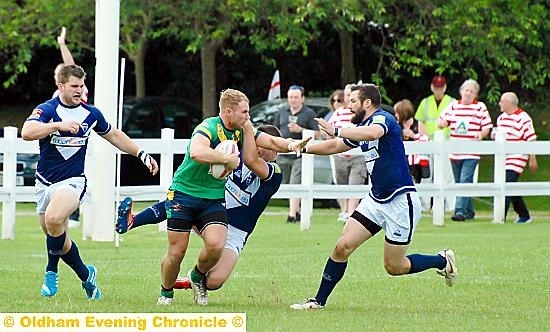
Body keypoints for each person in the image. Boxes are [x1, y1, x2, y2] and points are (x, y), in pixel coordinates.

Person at [290, 84, 457, 310]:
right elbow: (335, 145)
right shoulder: (361, 126)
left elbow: (373, 133)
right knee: (342, 247)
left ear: (367, 103)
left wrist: (337, 129)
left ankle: (442, 260)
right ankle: (318, 301)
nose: (349, 105)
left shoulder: (383, 119)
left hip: (400, 201)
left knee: (394, 266)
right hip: (376, 200)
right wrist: (304, 148)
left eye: (353, 101)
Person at [155, 89, 308, 306]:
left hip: (214, 200)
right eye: (245, 112)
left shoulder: (246, 135)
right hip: (185, 193)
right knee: (176, 252)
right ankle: (166, 293)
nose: (248, 117)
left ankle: (196, 277)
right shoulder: (208, 127)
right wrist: (227, 159)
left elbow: (272, 143)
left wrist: (291, 145)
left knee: (215, 258)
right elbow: (197, 152)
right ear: (229, 112)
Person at [21, 64, 159, 300]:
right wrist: (56, 126)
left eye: (82, 85)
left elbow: (114, 134)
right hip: (44, 183)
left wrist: (140, 153)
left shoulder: (90, 113)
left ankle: (51, 271)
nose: (79, 90)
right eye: (74, 86)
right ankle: (87, 276)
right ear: (60, 86)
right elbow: (27, 132)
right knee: (58, 237)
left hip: (73, 181)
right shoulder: (48, 109)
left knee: (55, 220)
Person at [116, 123, 289, 294]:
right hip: (214, 214)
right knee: (182, 203)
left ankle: (192, 278)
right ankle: (133, 220)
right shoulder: (235, 154)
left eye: (261, 145)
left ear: (274, 150)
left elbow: (252, 161)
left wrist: (247, 130)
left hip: (237, 232)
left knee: (214, 281)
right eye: (255, 143)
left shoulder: (275, 172)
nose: (256, 148)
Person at [437, 79, 493, 222]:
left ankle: (460, 211)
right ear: (461, 91)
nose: (468, 93)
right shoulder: (453, 106)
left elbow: (487, 126)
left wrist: (481, 135)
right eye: (466, 90)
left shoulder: (480, 107)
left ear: (476, 94)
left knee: (464, 180)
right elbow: (442, 120)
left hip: (471, 151)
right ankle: (469, 211)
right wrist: (442, 123)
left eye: (472, 91)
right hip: (455, 151)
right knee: (459, 182)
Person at [54, 26, 88, 228]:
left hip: (76, 141)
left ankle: (73, 215)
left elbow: (71, 66)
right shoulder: (53, 99)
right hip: (55, 145)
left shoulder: (77, 91)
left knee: (74, 176)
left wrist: (62, 44)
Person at [277, 85, 319, 223]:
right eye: (290, 97)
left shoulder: (309, 113)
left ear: (302, 98)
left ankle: (292, 215)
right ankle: (298, 210)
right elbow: (275, 130)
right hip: (283, 153)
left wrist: (300, 129)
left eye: (296, 97)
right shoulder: (282, 112)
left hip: (300, 154)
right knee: (284, 182)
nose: (293, 100)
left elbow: (319, 134)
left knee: (295, 182)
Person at [493, 92, 538, 223]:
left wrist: (532, 158)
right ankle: (524, 215)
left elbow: (531, 138)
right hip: (503, 157)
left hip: (518, 156)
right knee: (510, 186)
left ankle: (501, 216)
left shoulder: (523, 118)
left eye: (502, 101)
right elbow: (498, 133)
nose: (499, 104)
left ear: (509, 103)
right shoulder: (501, 118)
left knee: (506, 183)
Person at [415, 75, 455, 211]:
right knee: (427, 175)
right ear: (432, 87)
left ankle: (450, 206)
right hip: (428, 143)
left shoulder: (452, 102)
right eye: (436, 87)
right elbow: (420, 121)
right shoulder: (425, 102)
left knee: (446, 175)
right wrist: (426, 138)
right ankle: (425, 205)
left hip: (447, 143)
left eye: (441, 87)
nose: (438, 90)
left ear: (444, 88)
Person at [328, 85, 367, 222]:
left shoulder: (362, 113)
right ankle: (344, 211)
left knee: (355, 184)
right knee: (342, 184)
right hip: (340, 156)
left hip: (358, 156)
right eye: (346, 94)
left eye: (350, 95)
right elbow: (328, 130)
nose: (347, 98)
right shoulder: (338, 113)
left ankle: (351, 214)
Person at [394, 99, 429, 184]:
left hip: (416, 164)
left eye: (397, 112)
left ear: (403, 113)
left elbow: (427, 142)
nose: (395, 115)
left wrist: (414, 136)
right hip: (400, 162)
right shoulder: (396, 126)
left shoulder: (418, 124)